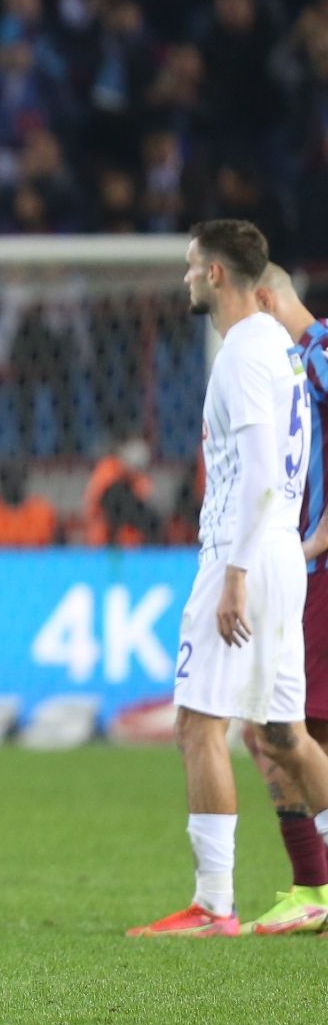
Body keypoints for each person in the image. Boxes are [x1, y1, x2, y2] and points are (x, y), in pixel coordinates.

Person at [128, 221, 328, 938]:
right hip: (282, 554)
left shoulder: (244, 351)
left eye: (190, 266)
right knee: (284, 734)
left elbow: (260, 470)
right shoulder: (284, 349)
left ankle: (213, 905)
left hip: (243, 553)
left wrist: (235, 572)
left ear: (216, 274)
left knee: (197, 724)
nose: (183, 277)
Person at [226, 262, 328, 933]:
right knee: (284, 728)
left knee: (278, 728)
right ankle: (311, 888)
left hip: (317, 571)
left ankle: (311, 885)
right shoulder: (299, 362)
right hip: (303, 572)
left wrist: (314, 542)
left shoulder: (318, 354)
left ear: (264, 299)